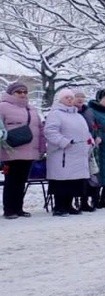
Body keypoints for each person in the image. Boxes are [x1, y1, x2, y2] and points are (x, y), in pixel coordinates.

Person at [42, 89, 92, 216]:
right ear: (60, 100)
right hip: (62, 153)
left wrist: (90, 140)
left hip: (78, 153)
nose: (70, 100)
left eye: (71, 97)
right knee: (62, 181)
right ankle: (59, 206)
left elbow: (85, 132)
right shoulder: (56, 114)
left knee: (73, 181)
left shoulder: (78, 115)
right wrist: (63, 142)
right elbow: (50, 131)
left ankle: (69, 205)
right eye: (66, 98)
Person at [0, 81, 45, 219]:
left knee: (21, 181)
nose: (22, 94)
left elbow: (39, 129)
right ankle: (9, 210)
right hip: (10, 150)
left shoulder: (31, 109)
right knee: (11, 181)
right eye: (18, 92)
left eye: (25, 92)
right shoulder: (2, 106)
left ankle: (18, 208)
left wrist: (41, 148)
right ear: (11, 93)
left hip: (29, 151)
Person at [72, 91, 98, 212]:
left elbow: (95, 126)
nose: (80, 99)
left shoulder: (88, 111)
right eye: (77, 96)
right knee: (75, 175)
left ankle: (85, 201)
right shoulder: (69, 111)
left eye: (82, 96)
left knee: (88, 175)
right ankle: (73, 200)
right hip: (74, 146)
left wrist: (96, 136)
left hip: (89, 145)